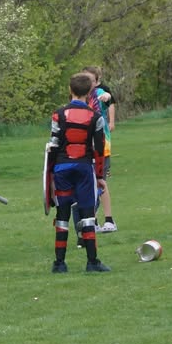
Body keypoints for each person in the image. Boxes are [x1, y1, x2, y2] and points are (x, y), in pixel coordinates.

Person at [49, 72, 110, 273]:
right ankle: (92, 262)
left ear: (70, 90)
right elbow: (99, 149)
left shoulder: (58, 114)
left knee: (62, 214)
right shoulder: (96, 117)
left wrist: (50, 177)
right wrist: (99, 177)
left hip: (62, 169)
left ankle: (59, 264)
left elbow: (54, 145)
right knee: (87, 214)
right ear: (90, 91)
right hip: (84, 168)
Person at [87, 65, 118, 232]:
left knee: (100, 182)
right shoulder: (80, 97)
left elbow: (107, 99)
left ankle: (109, 220)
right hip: (85, 148)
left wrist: (106, 97)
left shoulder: (99, 94)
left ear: (97, 82)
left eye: (90, 80)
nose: (87, 83)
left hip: (101, 147)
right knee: (88, 184)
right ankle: (93, 221)